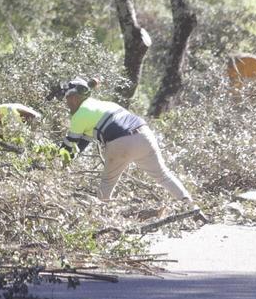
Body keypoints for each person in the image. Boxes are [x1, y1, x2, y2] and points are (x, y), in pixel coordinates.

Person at [58, 77, 200, 213]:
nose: (67, 103)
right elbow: (83, 142)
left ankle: (100, 221)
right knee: (163, 175)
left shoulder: (79, 115)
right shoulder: (106, 105)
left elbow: (71, 145)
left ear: (74, 97)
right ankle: (191, 208)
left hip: (120, 141)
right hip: (145, 135)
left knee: (107, 184)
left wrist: (56, 164)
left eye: (67, 99)